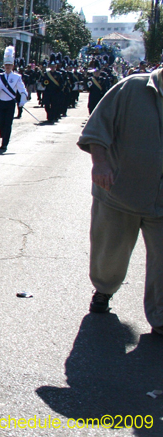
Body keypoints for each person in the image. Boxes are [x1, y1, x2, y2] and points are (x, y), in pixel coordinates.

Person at [78, 66, 163, 336]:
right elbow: (97, 127)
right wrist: (100, 163)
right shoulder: (132, 88)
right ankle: (103, 290)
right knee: (109, 256)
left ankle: (160, 317)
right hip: (119, 193)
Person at [0, 46, 28, 151]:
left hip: (10, 103)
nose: (7, 67)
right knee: (0, 122)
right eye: (6, 65)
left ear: (12, 66)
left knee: (8, 123)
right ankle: (3, 135)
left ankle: (5, 143)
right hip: (1, 102)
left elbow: (22, 90)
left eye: (9, 65)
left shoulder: (17, 77)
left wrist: (22, 101)